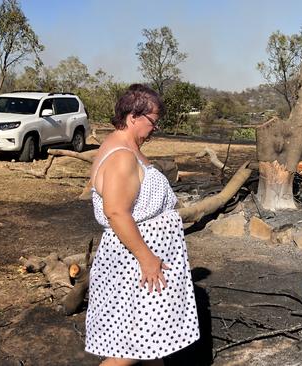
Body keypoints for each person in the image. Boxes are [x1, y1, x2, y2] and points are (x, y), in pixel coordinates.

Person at [85, 84, 199, 365]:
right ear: (133, 116)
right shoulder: (122, 156)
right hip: (134, 263)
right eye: (153, 122)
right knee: (128, 351)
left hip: (141, 260)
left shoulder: (125, 147)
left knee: (151, 342)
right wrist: (146, 258)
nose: (154, 129)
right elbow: (116, 212)